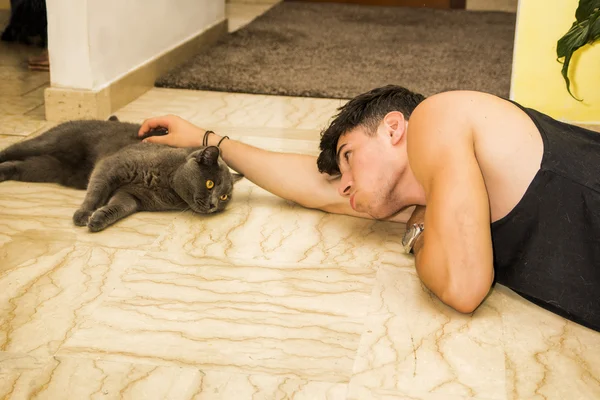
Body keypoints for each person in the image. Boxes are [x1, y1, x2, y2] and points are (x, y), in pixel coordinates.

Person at [138, 85, 600, 333]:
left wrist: (420, 230)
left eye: (348, 156)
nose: (345, 186)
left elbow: (463, 287)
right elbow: (313, 187)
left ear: (394, 128)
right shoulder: (436, 191)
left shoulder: (440, 117)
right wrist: (207, 139)